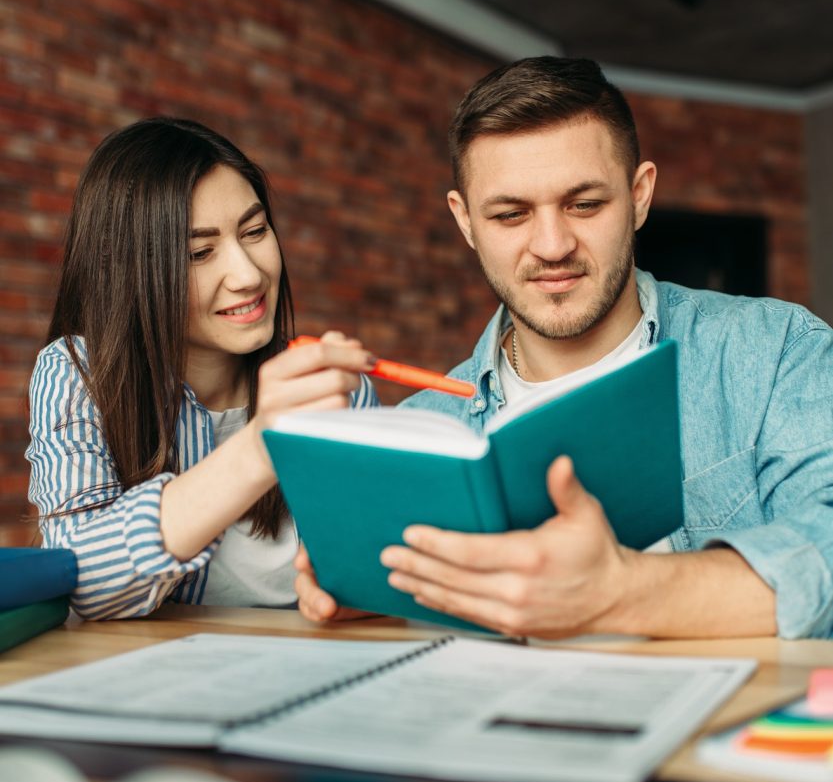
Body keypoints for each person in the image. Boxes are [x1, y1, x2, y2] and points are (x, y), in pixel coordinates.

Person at [295, 56, 833, 640]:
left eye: (584, 205)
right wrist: (377, 593)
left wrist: (617, 593)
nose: (552, 246)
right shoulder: (427, 429)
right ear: (466, 222)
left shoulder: (775, 352)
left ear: (640, 196)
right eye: (510, 214)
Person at [26, 116, 377, 620]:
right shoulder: (80, 374)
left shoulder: (329, 386)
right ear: (130, 269)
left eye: (255, 231)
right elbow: (82, 580)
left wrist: (363, 592)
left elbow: (368, 570)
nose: (247, 274)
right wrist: (259, 448)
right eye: (199, 252)